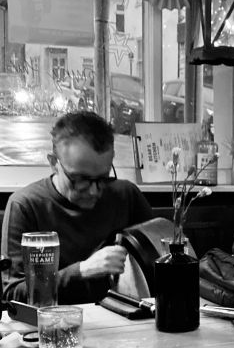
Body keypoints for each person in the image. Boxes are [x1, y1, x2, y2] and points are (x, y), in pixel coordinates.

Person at [1, 111, 153, 305]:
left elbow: (159, 260)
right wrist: (82, 270)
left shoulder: (126, 195)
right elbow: (13, 294)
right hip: (53, 323)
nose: (93, 191)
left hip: (122, 320)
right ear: (54, 163)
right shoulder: (26, 206)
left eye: (103, 178)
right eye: (80, 179)